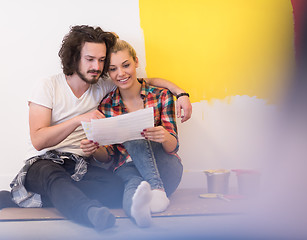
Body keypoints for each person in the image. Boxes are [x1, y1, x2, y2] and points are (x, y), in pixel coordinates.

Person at [0, 25, 192, 231]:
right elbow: (38, 141)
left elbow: (140, 81)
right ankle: (90, 213)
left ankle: (28, 196)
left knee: (119, 188)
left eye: (101, 61)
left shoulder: (102, 86)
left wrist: (180, 93)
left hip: (81, 166)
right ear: (74, 58)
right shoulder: (47, 86)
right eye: (90, 59)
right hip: (44, 162)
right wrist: (78, 120)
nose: (97, 66)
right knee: (52, 176)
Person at [80, 37, 183, 227]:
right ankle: (139, 212)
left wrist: (164, 136)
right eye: (113, 69)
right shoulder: (107, 105)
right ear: (108, 73)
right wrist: (94, 149)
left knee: (134, 133)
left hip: (165, 167)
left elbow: (173, 146)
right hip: (127, 168)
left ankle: (157, 189)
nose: (121, 73)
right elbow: (109, 157)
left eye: (126, 65)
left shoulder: (161, 95)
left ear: (136, 62)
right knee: (132, 187)